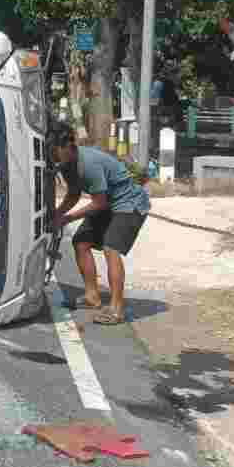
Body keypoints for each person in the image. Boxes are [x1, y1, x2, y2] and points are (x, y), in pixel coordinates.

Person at [50, 129, 151, 325]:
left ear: (69, 146)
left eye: (56, 151)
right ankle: (91, 296)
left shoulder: (89, 164)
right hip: (109, 203)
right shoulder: (66, 163)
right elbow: (73, 195)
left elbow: (98, 203)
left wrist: (66, 219)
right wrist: (57, 213)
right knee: (81, 241)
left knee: (111, 248)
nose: (53, 156)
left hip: (129, 204)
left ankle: (116, 309)